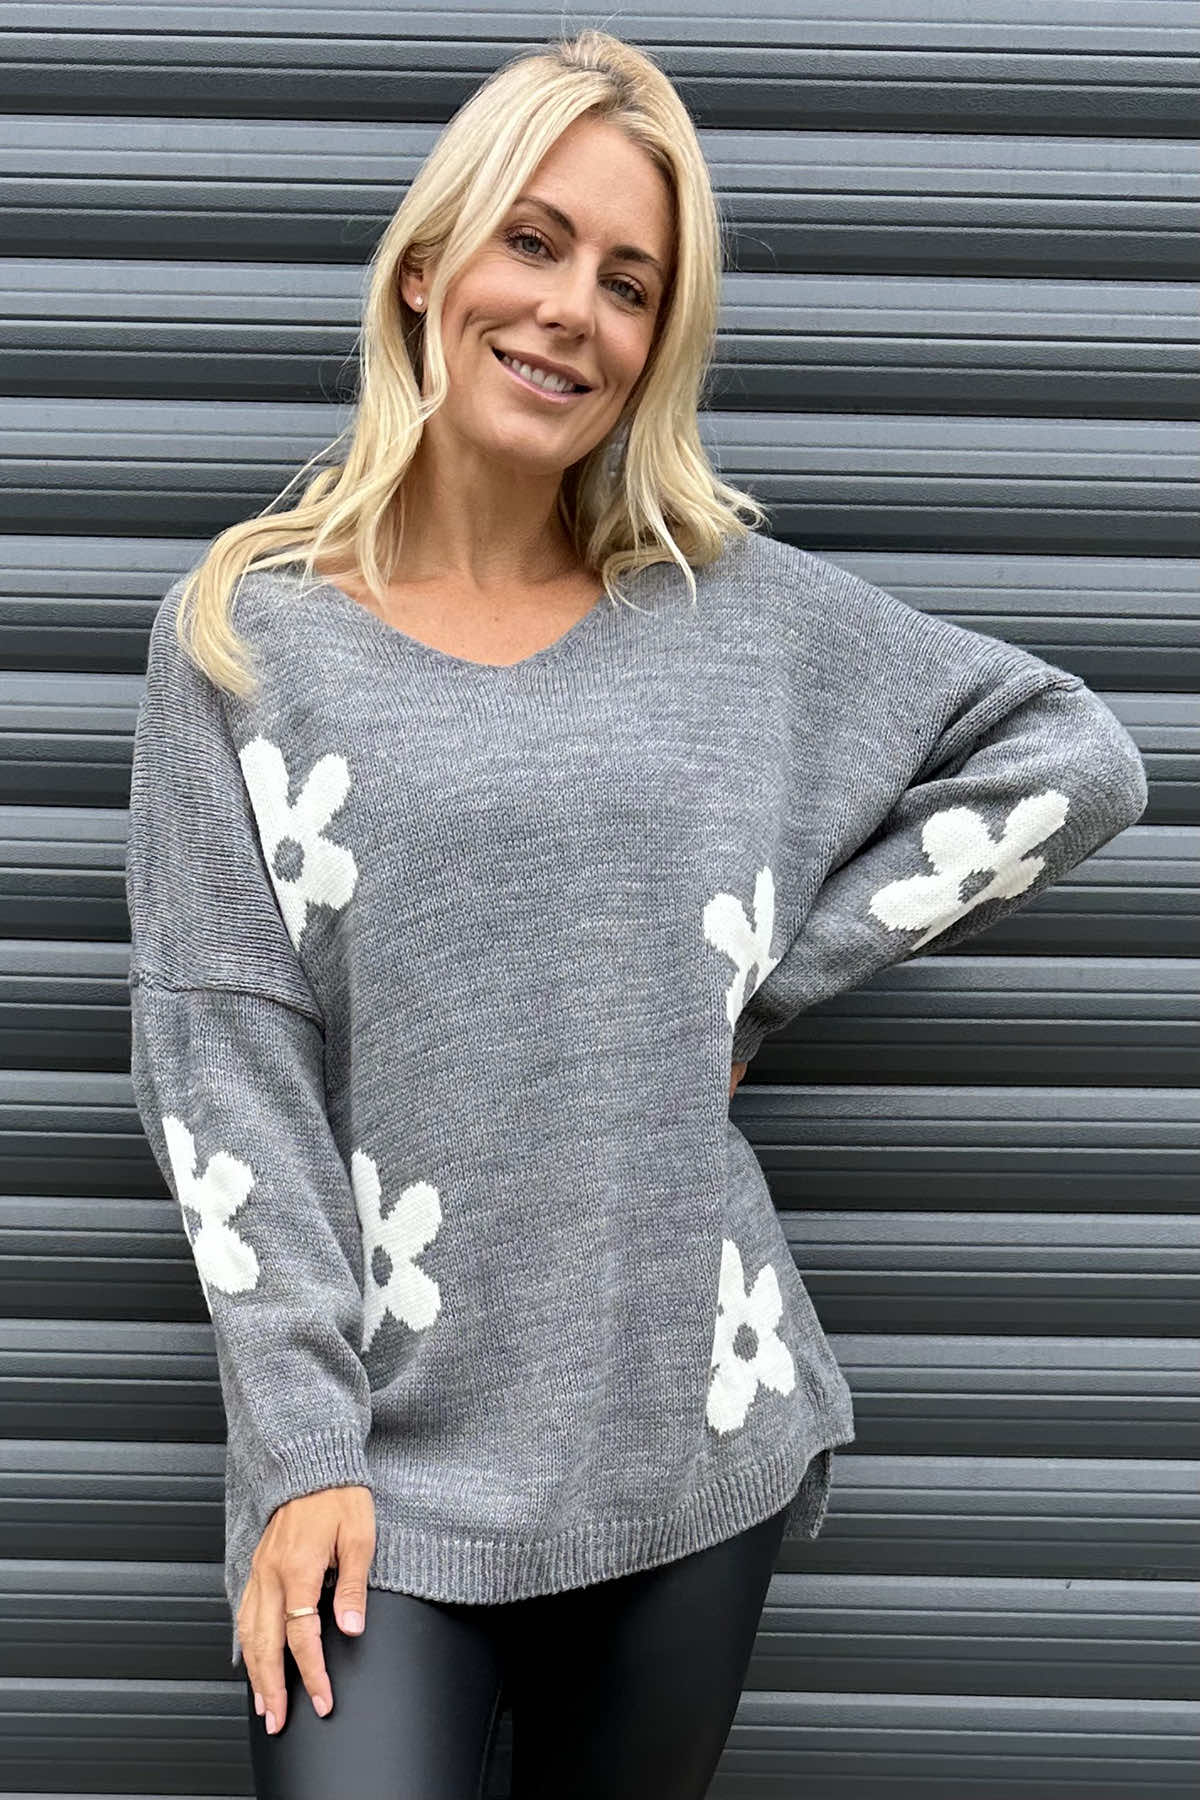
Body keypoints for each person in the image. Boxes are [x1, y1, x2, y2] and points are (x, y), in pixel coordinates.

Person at [123, 28, 1149, 1800]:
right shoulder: (242, 637)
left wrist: (754, 981)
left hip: (684, 1428)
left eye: (628, 282)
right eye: (534, 241)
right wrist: (299, 1447)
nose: (570, 312)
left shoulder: (725, 615)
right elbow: (223, 1068)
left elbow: (1077, 760)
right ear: (429, 265)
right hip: (379, 1460)